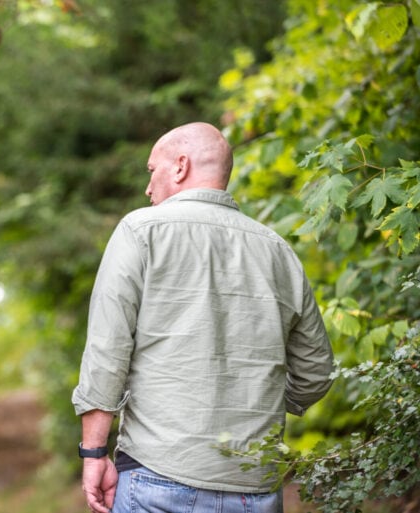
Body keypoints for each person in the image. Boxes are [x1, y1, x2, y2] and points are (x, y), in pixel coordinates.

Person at [72, 122, 334, 513]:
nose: (148, 188)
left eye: (151, 170)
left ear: (180, 167)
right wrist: (256, 404)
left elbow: (108, 352)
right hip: (255, 487)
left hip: (157, 473)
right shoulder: (278, 251)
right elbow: (316, 371)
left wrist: (93, 453)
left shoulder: (141, 231)